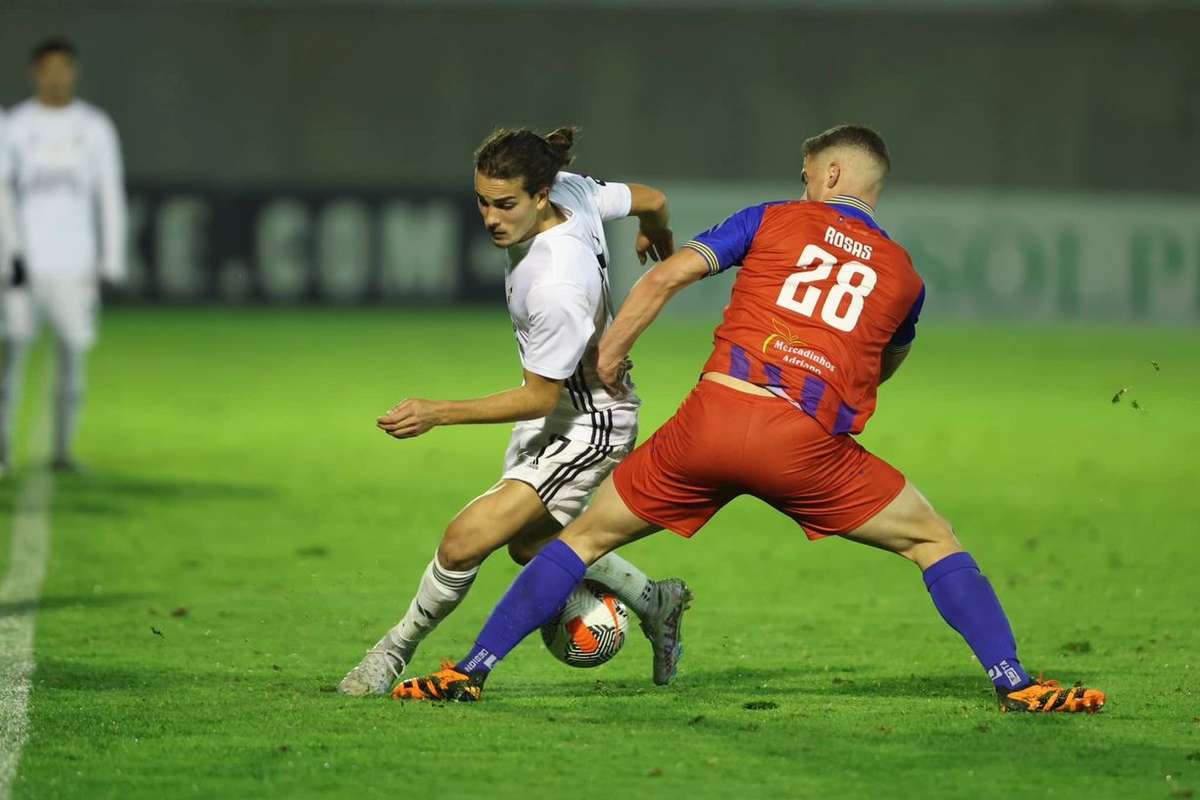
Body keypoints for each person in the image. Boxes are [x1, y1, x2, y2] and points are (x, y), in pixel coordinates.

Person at [392, 124, 1107, 714]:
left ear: (829, 176)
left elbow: (669, 274)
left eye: (806, 176)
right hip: (804, 445)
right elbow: (883, 364)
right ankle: (1017, 683)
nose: (803, 187)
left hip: (712, 420)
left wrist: (611, 350)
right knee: (932, 539)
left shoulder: (774, 217)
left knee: (576, 540)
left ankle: (470, 671)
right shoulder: (905, 276)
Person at [338, 126, 692, 696]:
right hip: (561, 408)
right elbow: (652, 200)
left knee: (463, 541)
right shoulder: (574, 191)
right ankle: (656, 602)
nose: (491, 218)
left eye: (505, 205)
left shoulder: (554, 282)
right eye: (482, 201)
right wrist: (657, 234)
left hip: (588, 422)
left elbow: (537, 396)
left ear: (541, 195)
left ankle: (389, 656)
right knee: (529, 547)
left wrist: (437, 412)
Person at [0, 37, 127, 474]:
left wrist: (111, 258)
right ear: (36, 72)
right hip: (21, 265)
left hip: (76, 264)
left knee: (73, 356)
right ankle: (1, 450)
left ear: (73, 72)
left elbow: (108, 193)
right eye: (48, 68)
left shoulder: (94, 127)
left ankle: (62, 451)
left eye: (64, 68)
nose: (57, 77)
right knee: (10, 355)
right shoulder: (14, 125)